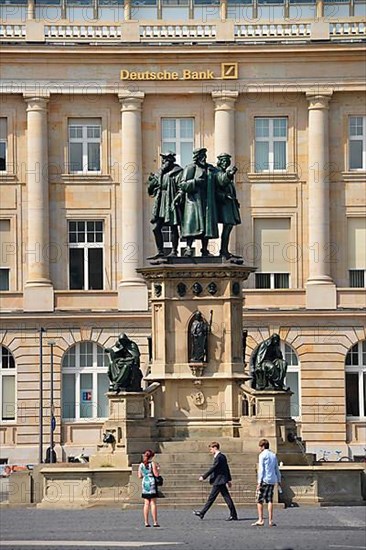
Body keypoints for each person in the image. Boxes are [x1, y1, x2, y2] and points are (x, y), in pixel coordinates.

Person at [175, 147, 218, 257]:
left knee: (206, 226)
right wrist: (195, 182)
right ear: (197, 157)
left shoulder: (210, 169)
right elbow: (182, 184)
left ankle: (204, 249)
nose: (204, 158)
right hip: (193, 202)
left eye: (205, 156)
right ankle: (188, 248)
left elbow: (219, 180)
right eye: (202, 156)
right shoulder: (190, 168)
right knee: (191, 225)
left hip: (207, 201)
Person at [147, 151, 183, 259]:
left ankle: (174, 250)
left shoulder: (178, 172)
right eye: (163, 160)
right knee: (156, 228)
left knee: (173, 226)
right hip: (161, 201)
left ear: (171, 160)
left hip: (171, 200)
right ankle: (160, 251)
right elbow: (151, 188)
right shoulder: (160, 172)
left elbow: (181, 187)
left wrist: (178, 198)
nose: (163, 162)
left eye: (166, 159)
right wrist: (152, 181)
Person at [193, 441, 238, 521]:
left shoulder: (219, 457)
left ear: (215, 448)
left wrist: (204, 476)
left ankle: (202, 513)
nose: (210, 451)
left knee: (213, 498)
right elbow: (226, 469)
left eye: (211, 449)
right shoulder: (222, 456)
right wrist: (228, 480)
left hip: (219, 480)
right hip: (221, 480)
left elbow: (214, 468)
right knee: (225, 497)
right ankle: (233, 514)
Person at [215, 153, 241, 260]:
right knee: (228, 225)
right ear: (220, 161)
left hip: (229, 204)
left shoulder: (224, 173)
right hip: (223, 205)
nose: (226, 163)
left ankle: (224, 250)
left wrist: (235, 201)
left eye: (227, 161)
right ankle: (223, 251)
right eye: (224, 161)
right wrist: (225, 196)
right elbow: (220, 183)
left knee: (229, 226)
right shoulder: (217, 172)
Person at [252, 438, 282, 527]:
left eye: (260, 446)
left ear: (263, 446)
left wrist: (259, 482)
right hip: (272, 479)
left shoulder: (262, 455)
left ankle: (261, 519)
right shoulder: (273, 455)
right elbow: (276, 469)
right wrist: (279, 480)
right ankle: (270, 520)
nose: (259, 448)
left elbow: (261, 469)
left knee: (259, 500)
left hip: (264, 479)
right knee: (269, 500)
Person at [137, 449, 161, 527]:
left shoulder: (141, 465)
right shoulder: (152, 464)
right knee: (153, 503)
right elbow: (156, 474)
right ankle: (155, 521)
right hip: (151, 482)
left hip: (145, 482)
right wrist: (158, 469)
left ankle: (146, 522)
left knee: (146, 503)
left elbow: (139, 476)